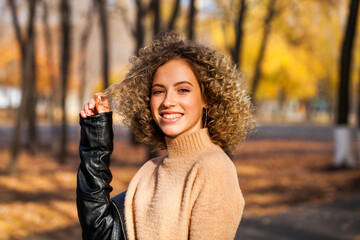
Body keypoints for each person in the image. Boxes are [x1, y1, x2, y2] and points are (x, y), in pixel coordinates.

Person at [77, 32, 254, 240]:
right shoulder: (151, 170)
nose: (168, 101)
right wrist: (96, 143)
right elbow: (100, 231)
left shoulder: (214, 168)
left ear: (207, 98)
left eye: (183, 90)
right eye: (158, 91)